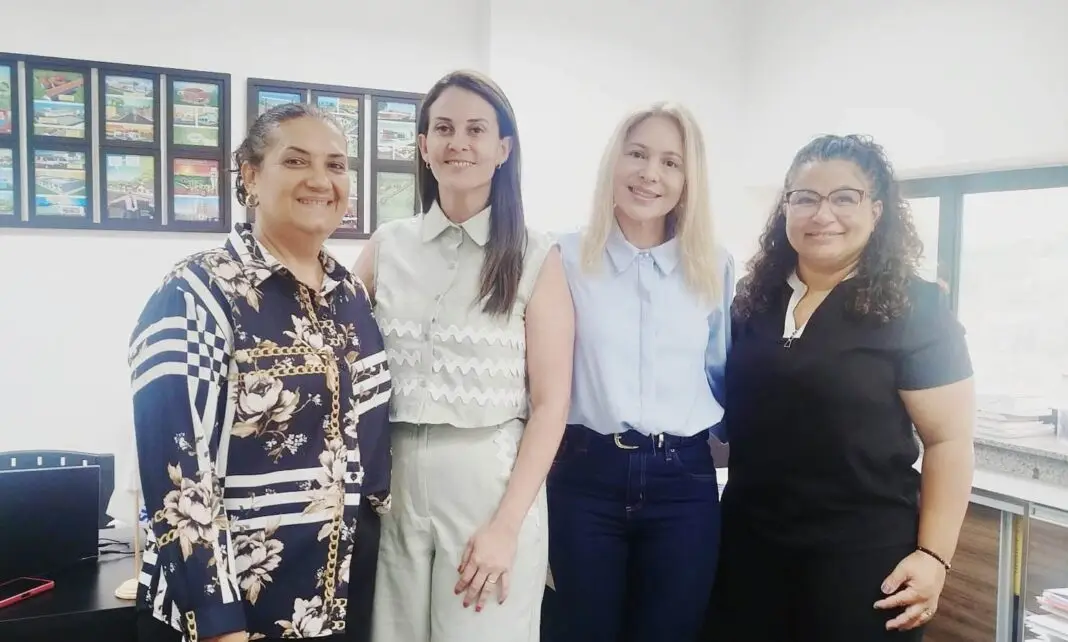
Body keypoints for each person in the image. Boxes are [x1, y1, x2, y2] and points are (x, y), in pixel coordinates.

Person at [128, 103, 392, 642]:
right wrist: (219, 625)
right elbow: (178, 478)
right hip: (234, 613)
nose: (320, 180)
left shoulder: (352, 297)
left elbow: (372, 460)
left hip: (342, 601)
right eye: (296, 161)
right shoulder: (196, 292)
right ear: (250, 176)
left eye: (336, 165)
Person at [706, 134, 976, 641]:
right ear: (785, 208)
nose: (822, 214)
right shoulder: (753, 300)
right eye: (805, 198)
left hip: (861, 562)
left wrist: (934, 555)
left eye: (844, 198)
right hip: (747, 551)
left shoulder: (916, 308)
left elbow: (950, 440)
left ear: (876, 210)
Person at [353, 70, 574, 642]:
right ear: (423, 146)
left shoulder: (535, 254)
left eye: (476, 129)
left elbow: (551, 405)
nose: (459, 143)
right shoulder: (386, 246)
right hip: (394, 486)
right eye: (444, 128)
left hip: (489, 485)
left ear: (503, 149)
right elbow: (340, 354)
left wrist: (506, 527)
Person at [548, 102, 734, 642]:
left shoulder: (713, 263)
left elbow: (721, 368)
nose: (650, 173)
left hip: (684, 481)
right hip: (585, 476)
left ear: (688, 179)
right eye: (637, 154)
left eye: (671, 162)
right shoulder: (562, 256)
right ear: (614, 161)